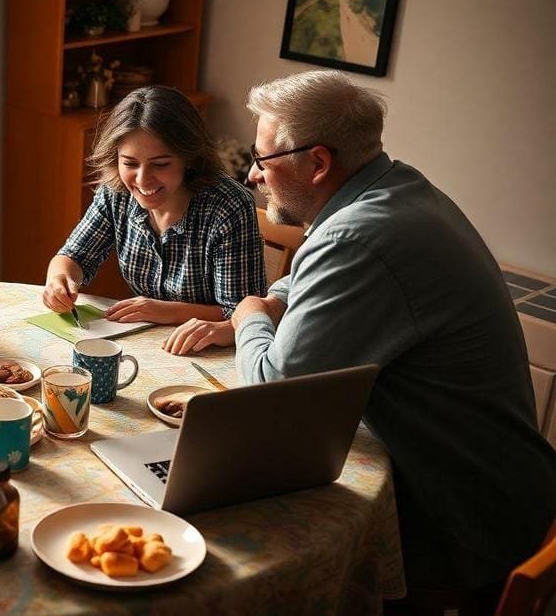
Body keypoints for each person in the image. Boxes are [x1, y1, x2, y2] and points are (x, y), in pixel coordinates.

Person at [228, 70, 556, 605]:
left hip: (463, 527)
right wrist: (276, 300)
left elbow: (273, 393)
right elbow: (311, 274)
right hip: (509, 486)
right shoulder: (396, 189)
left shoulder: (359, 236)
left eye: (262, 161)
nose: (251, 177)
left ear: (318, 163)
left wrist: (248, 315)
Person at [42, 85, 266, 325]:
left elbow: (243, 313)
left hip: (215, 351)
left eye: (160, 165)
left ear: (189, 158)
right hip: (150, 342)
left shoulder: (228, 207)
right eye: (129, 163)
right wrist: (59, 280)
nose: (141, 180)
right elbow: (73, 257)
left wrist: (165, 312)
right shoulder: (115, 193)